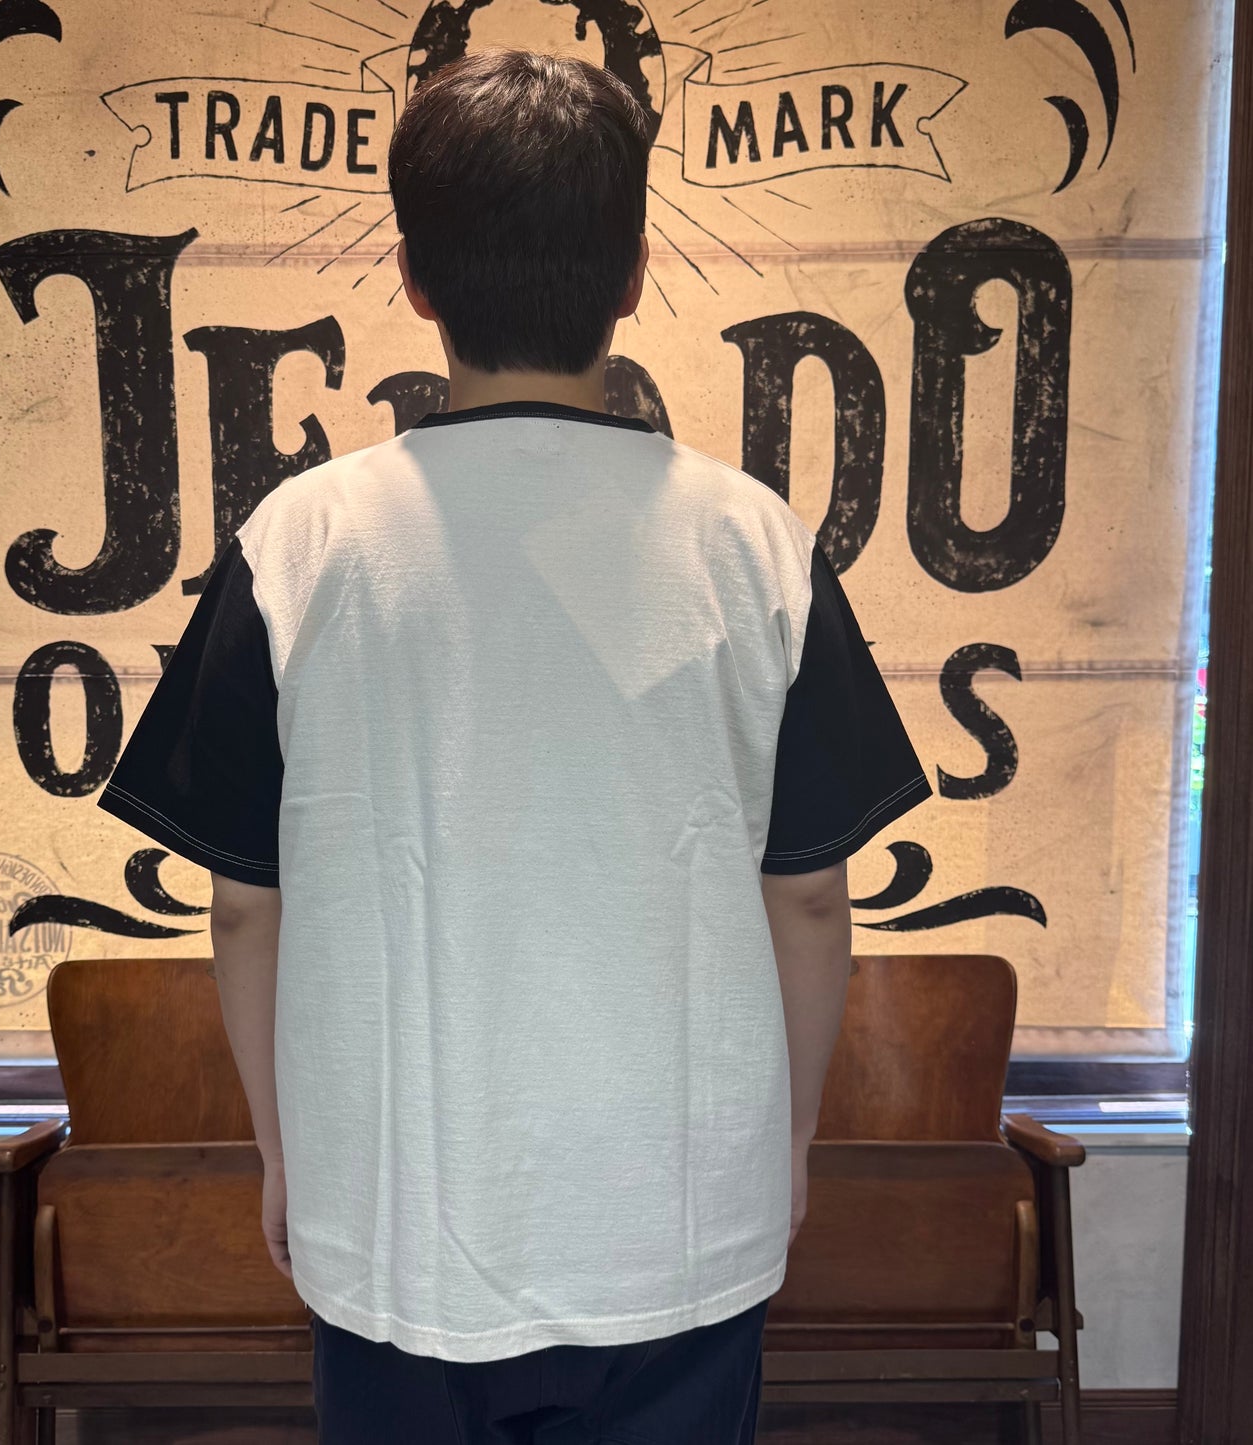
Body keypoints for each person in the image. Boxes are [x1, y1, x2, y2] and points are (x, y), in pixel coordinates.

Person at [97, 47, 933, 1445]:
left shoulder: (298, 541)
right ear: (635, 274)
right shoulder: (754, 542)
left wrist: (285, 1152)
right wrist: (783, 1143)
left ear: (415, 279)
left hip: (396, 1221)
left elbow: (244, 905)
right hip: (678, 1219)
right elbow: (806, 896)